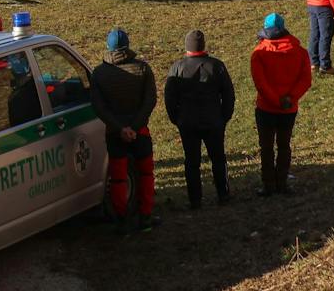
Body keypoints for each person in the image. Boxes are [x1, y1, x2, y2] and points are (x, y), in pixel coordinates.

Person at [89, 28, 158, 233]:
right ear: (128, 46)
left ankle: (121, 219)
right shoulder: (143, 69)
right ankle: (145, 216)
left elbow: (99, 106)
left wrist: (120, 128)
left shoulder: (99, 74)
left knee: (118, 178)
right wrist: (134, 127)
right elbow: (150, 101)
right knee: (146, 174)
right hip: (140, 132)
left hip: (114, 134)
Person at [164, 29, 235, 209]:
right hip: (213, 120)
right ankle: (223, 194)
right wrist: (223, 117)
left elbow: (170, 98)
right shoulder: (216, 66)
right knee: (218, 158)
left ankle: (195, 199)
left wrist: (177, 119)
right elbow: (228, 95)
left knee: (192, 162)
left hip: (187, 122)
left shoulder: (178, 68)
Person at [250, 12, 313, 197]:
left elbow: (260, 83)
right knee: (284, 146)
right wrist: (289, 99)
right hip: (288, 109)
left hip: (266, 108)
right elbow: (305, 80)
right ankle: (282, 182)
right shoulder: (299, 51)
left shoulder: (259, 53)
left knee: (267, 147)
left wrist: (274, 100)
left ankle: (269, 184)